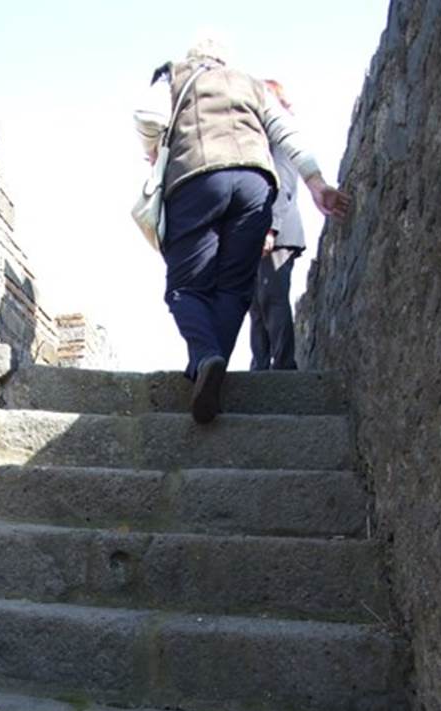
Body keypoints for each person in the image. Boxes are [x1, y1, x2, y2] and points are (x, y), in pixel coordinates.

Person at [134, 37, 349, 423]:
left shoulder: (174, 75)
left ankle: (205, 357)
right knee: (234, 288)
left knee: (185, 287)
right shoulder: (252, 83)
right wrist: (317, 183)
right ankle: (209, 371)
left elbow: (147, 117)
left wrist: (154, 149)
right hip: (255, 184)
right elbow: (286, 132)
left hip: (197, 179)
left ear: (193, 55)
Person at [249, 81, 304, 372]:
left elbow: (285, 186)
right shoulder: (262, 141)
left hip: (277, 234)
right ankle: (259, 367)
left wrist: (272, 228)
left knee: (272, 298)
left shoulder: (282, 137)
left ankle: (283, 368)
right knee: (256, 305)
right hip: (261, 233)